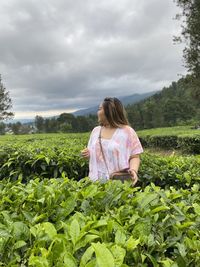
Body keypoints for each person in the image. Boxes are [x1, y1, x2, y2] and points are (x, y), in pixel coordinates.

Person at [81, 97, 143, 185]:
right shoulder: (96, 131)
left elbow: (135, 156)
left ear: (109, 111)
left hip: (118, 182)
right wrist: (88, 154)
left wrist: (133, 171)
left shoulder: (127, 132)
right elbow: (94, 154)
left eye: (100, 109)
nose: (97, 112)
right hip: (95, 182)